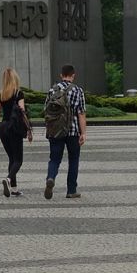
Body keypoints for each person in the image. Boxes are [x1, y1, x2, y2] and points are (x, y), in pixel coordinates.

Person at [44, 64, 87, 199]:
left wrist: (49, 129)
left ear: (61, 75)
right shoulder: (78, 91)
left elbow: (46, 111)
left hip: (56, 130)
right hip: (73, 131)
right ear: (73, 75)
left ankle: (50, 178)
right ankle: (71, 190)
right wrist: (83, 133)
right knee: (73, 159)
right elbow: (81, 113)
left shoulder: (52, 90)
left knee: (54, 159)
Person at [0, 66, 31, 197]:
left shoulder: (1, 94)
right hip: (14, 128)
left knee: (12, 159)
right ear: (14, 78)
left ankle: (14, 189)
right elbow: (22, 113)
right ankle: (8, 179)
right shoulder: (18, 94)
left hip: (3, 128)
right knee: (18, 160)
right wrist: (29, 130)